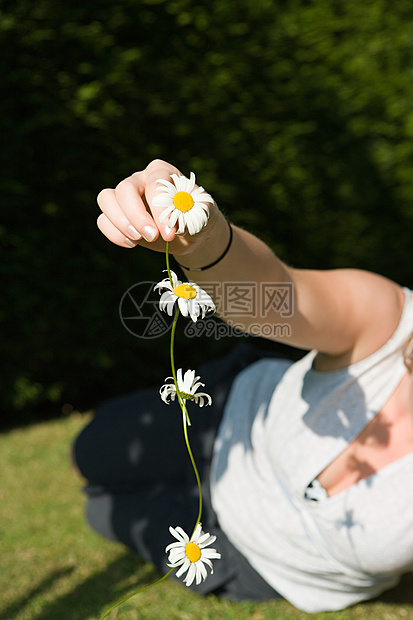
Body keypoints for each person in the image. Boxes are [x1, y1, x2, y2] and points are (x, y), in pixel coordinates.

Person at [73, 159, 413, 613]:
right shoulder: (391, 320)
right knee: (88, 452)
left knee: (98, 513)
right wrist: (204, 239)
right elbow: (274, 294)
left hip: (245, 559)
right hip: (224, 417)